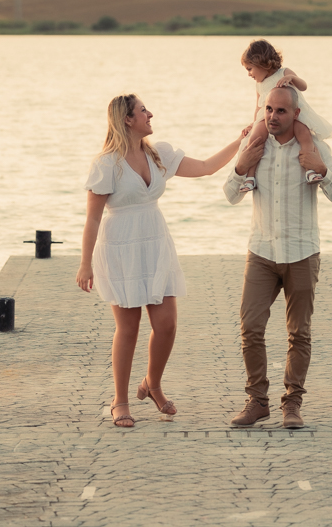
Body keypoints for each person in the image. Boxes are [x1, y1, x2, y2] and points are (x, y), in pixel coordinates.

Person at [78, 94, 243, 428]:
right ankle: (120, 401)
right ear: (127, 119)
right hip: (120, 246)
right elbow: (93, 219)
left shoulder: (160, 154)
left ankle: (152, 384)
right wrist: (85, 264)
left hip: (155, 244)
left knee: (166, 325)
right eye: (143, 111)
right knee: (128, 327)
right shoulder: (106, 164)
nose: (150, 114)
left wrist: (242, 140)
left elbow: (207, 168)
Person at [223, 85, 332, 429]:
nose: (273, 117)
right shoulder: (255, 147)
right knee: (250, 327)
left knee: (299, 333)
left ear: (296, 114)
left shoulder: (315, 147)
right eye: (268, 110)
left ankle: (292, 404)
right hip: (261, 251)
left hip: (302, 252)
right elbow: (230, 195)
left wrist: (321, 169)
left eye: (280, 111)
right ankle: (257, 401)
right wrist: (240, 167)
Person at [236, 39, 332, 193]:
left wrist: (292, 79)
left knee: (304, 135)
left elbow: (303, 86)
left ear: (261, 63)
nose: (249, 74)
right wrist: (252, 123)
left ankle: (310, 170)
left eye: (250, 69)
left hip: (294, 115)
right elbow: (258, 107)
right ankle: (250, 177)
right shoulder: (259, 85)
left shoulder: (284, 72)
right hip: (266, 118)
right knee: (255, 139)